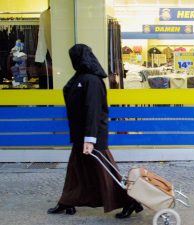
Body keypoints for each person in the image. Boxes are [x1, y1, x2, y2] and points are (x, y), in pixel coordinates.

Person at [47, 44, 143, 219]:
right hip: (81, 135)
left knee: (105, 171)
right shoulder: (81, 77)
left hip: (92, 136)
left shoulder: (91, 80)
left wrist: (89, 139)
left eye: (74, 57)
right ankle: (67, 202)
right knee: (76, 171)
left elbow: (94, 110)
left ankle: (131, 201)